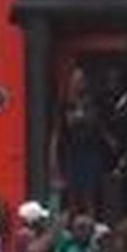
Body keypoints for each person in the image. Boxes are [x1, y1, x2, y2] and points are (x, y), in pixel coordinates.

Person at [50, 67, 117, 215]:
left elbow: (99, 125)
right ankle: (74, 230)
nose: (78, 83)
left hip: (90, 152)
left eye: (81, 80)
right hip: (72, 152)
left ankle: (90, 227)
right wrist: (54, 162)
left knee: (90, 195)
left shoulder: (92, 102)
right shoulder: (64, 103)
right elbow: (57, 132)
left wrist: (110, 141)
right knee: (73, 196)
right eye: (75, 80)